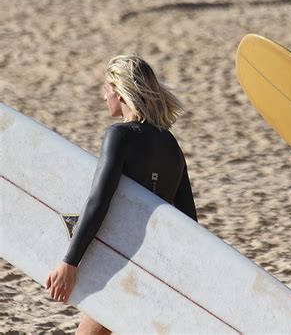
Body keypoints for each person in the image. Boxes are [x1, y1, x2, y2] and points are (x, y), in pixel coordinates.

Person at [45, 54, 198, 334]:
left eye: (106, 89)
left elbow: (98, 201)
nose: (104, 97)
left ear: (119, 90)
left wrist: (70, 262)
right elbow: (190, 221)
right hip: (155, 268)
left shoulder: (120, 136)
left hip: (121, 262)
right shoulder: (171, 146)